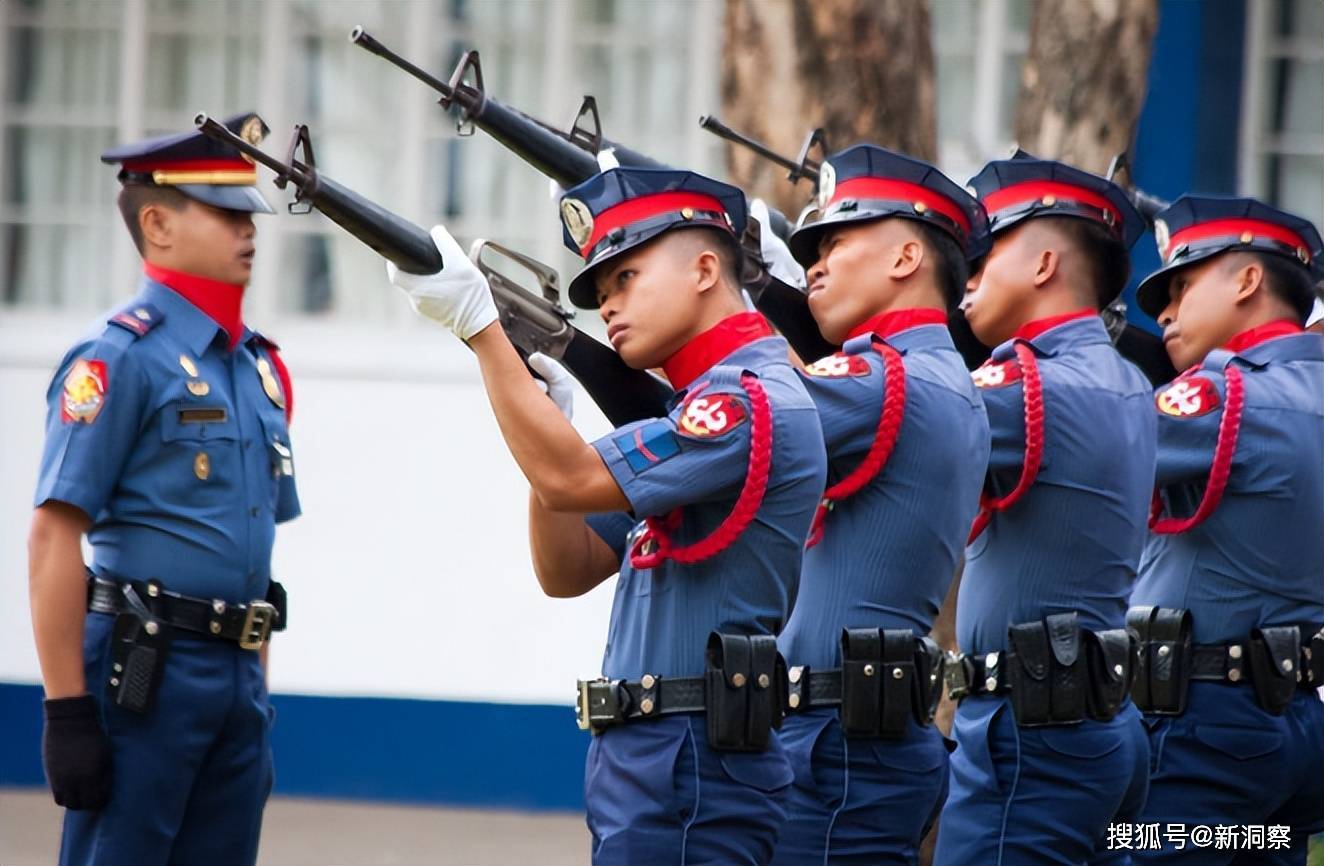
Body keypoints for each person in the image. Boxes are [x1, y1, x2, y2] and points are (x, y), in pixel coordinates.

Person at [386, 166, 827, 866]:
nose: (609, 306)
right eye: (601, 290)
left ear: (705, 268)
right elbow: (566, 568)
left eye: (627, 278)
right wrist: (544, 428)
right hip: (653, 758)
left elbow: (570, 476)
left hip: (688, 762)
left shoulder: (745, 402)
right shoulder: (697, 409)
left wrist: (483, 333)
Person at [28, 112, 299, 866]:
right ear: (158, 222)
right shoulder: (120, 359)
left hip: (236, 676)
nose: (250, 230)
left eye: (251, 213)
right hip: (145, 670)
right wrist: (67, 713)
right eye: (226, 213)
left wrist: (256, 693)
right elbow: (54, 533)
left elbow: (256, 553)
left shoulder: (256, 369)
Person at [767, 144, 991, 865]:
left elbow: (720, 430)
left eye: (836, 241)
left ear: (904, 258)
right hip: (853, 733)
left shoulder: (878, 376)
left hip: (834, 745)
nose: (814, 265)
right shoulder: (931, 373)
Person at [934, 153, 1155, 865]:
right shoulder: (1122, 379)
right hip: (1099, 722)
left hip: (1028, 737)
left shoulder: (1026, 382)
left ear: (1042, 265)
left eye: (983, 253)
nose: (966, 278)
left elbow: (892, 427)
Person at [1127, 196, 1324, 863]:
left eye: (1182, 286)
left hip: (1201, 731)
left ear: (1247, 281)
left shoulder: (1222, 396)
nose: (1163, 312)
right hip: (1294, 725)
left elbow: (1090, 445)